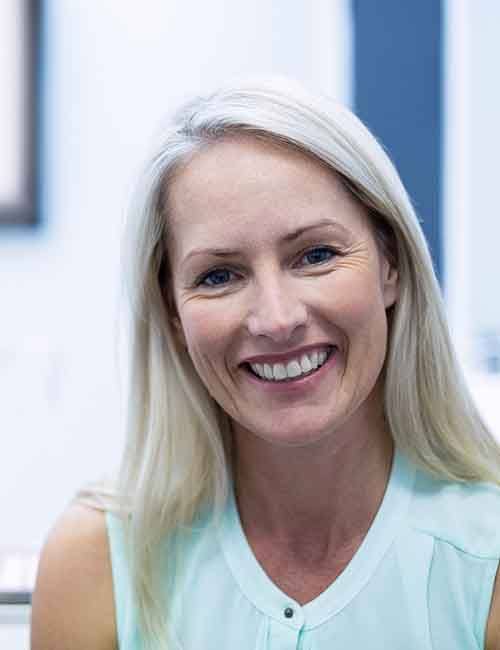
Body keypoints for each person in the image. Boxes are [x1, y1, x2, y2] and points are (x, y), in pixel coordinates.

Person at [31, 77, 500, 650]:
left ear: (390, 266)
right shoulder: (97, 560)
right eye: (219, 276)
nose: (276, 319)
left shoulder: (486, 560)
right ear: (172, 313)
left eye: (316, 255)